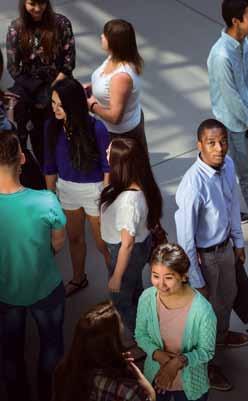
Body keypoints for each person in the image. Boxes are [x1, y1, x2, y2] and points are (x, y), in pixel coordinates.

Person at [175, 119, 248, 391]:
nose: (219, 148)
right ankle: (204, 366)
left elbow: (231, 205)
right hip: (204, 259)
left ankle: (221, 336)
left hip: (225, 248)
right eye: (211, 143)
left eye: (223, 141)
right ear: (199, 145)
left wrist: (238, 242)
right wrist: (196, 279)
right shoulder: (192, 186)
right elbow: (185, 239)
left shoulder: (227, 165)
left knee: (227, 298)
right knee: (203, 316)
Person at [0, 131, 66, 401]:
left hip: (5, 294)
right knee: (51, 346)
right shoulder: (46, 201)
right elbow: (58, 244)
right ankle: (47, 394)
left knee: (10, 353)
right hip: (45, 288)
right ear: (23, 159)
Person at [207, 0, 248, 250]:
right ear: (236, 21)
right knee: (247, 178)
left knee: (235, 172)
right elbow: (230, 97)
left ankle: (230, 211)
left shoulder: (242, 43)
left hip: (246, 120)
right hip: (233, 126)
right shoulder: (222, 56)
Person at [44, 77, 110, 297]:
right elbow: (49, 165)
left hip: (95, 190)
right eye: (53, 103)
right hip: (67, 190)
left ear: (73, 104)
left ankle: (117, 280)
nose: (55, 109)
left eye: (60, 105)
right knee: (74, 238)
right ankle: (78, 278)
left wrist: (106, 196)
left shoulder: (96, 128)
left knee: (103, 243)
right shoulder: (51, 127)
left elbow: (107, 166)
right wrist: (50, 197)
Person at [135, 243, 216, 401]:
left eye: (169, 278)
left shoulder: (203, 310)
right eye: (155, 276)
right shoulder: (147, 298)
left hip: (190, 387)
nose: (161, 285)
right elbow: (140, 334)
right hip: (155, 378)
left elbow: (207, 351)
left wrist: (178, 362)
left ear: (184, 275)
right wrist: (161, 357)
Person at [100, 137, 162, 333]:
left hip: (125, 252)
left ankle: (143, 341)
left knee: (121, 301)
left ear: (121, 165)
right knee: (135, 291)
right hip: (138, 247)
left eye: (110, 153)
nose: (106, 153)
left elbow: (127, 244)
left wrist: (117, 277)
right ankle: (149, 328)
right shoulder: (136, 184)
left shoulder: (128, 202)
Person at [6, 0, 75, 168]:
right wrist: (37, 89)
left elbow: (69, 63)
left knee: (59, 132)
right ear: (24, 3)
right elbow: (13, 68)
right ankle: (34, 171)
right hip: (30, 87)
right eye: (32, 4)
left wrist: (52, 90)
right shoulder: (16, 28)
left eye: (42, 3)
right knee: (33, 132)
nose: (38, 9)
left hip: (58, 84)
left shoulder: (61, 23)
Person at [52, 300, 156, 401]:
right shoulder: (128, 391)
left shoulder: (64, 371)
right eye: (120, 329)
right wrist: (150, 392)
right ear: (112, 344)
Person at [87, 19, 148, 153]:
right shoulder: (113, 57)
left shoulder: (122, 77)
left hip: (118, 135)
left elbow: (115, 117)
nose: (101, 36)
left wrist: (91, 105)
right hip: (110, 130)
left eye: (105, 35)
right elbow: (106, 83)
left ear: (115, 42)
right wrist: (90, 87)